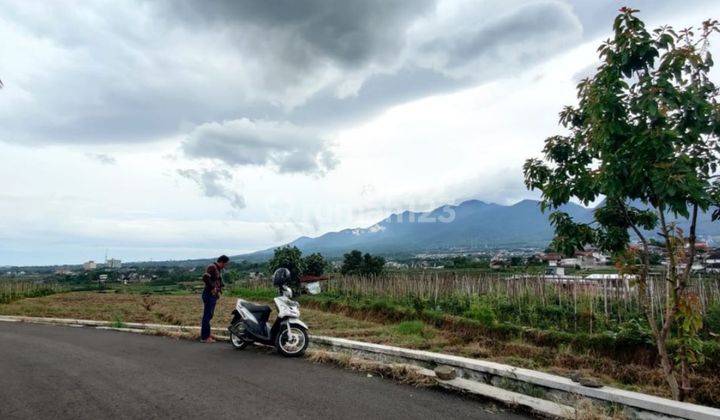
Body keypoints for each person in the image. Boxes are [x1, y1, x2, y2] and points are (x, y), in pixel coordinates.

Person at [200, 255, 229, 343]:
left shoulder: (217, 269)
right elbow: (205, 277)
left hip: (212, 295)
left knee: (209, 315)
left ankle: (207, 334)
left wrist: (220, 286)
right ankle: (205, 337)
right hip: (209, 294)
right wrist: (213, 288)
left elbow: (217, 280)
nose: (226, 266)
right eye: (226, 264)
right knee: (207, 315)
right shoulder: (212, 267)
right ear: (222, 262)